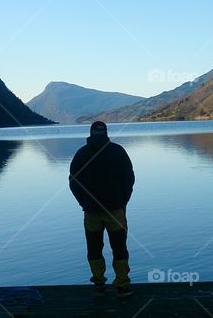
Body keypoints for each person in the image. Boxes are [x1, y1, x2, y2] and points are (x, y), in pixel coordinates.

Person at [69, 121, 135, 297]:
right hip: (115, 210)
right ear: (106, 133)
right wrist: (123, 201)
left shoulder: (81, 154)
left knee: (94, 248)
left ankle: (99, 284)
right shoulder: (118, 151)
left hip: (91, 212)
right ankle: (122, 285)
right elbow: (129, 178)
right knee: (120, 248)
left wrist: (83, 202)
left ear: (91, 134)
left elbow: (73, 182)